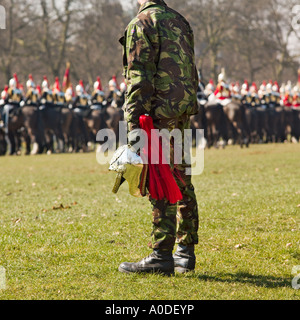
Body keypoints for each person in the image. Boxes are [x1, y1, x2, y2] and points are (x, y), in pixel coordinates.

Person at [118, 0, 199, 275]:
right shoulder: (179, 20)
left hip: (157, 114)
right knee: (182, 177)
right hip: (182, 110)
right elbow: (191, 71)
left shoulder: (142, 23)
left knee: (160, 179)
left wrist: (133, 126)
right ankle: (185, 252)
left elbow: (138, 78)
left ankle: (161, 255)